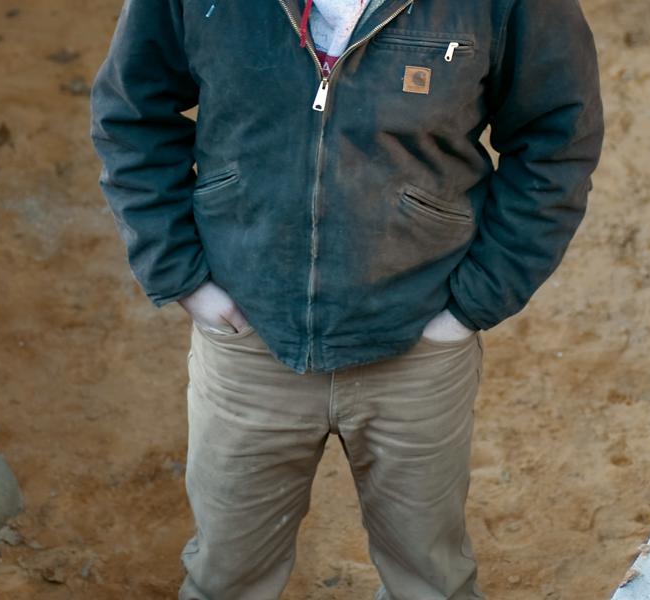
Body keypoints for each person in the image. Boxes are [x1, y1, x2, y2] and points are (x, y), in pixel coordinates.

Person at [91, 0, 603, 597]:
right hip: (249, 340)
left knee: (429, 582)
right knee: (224, 579)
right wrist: (184, 278)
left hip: (418, 345)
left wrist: (472, 307)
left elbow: (557, 140)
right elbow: (131, 113)